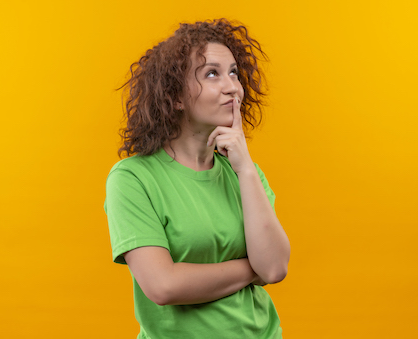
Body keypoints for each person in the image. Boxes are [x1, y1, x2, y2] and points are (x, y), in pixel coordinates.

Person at [105, 18, 291, 339]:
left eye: (233, 72)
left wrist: (245, 168)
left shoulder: (246, 174)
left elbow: (274, 268)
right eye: (212, 74)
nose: (232, 86)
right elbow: (163, 285)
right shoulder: (132, 179)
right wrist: (251, 269)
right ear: (176, 97)